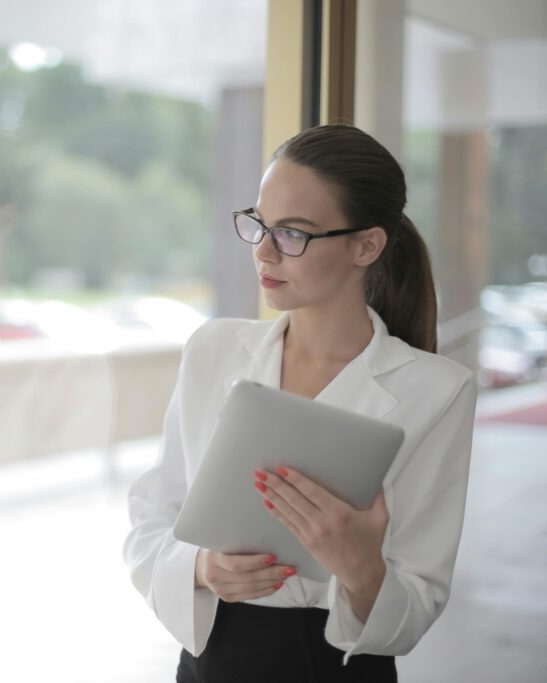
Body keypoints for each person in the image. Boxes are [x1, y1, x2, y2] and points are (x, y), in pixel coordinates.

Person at [122, 124, 479, 682]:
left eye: (293, 233)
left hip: (332, 665)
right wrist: (200, 567)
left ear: (367, 245)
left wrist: (363, 570)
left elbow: (418, 604)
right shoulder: (212, 350)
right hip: (209, 658)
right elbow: (152, 516)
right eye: (261, 224)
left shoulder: (437, 390)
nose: (263, 251)